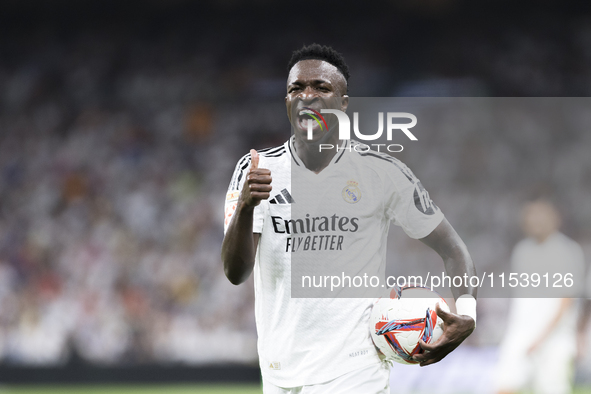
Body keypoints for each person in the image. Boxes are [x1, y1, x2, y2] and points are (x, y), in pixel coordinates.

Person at [221, 44, 477, 393]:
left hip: (356, 371)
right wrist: (247, 207)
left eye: (321, 88)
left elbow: (453, 249)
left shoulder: (382, 172)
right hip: (280, 372)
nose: (307, 96)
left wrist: (468, 314)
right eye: (296, 88)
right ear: (286, 102)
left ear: (343, 103)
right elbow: (236, 273)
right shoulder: (256, 171)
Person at [495, 199, 586, 394]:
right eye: (531, 217)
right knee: (505, 386)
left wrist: (541, 337)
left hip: (555, 337)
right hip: (520, 333)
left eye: (541, 217)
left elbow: (566, 300)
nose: (535, 221)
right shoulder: (522, 250)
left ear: (555, 220)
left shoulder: (566, 251)